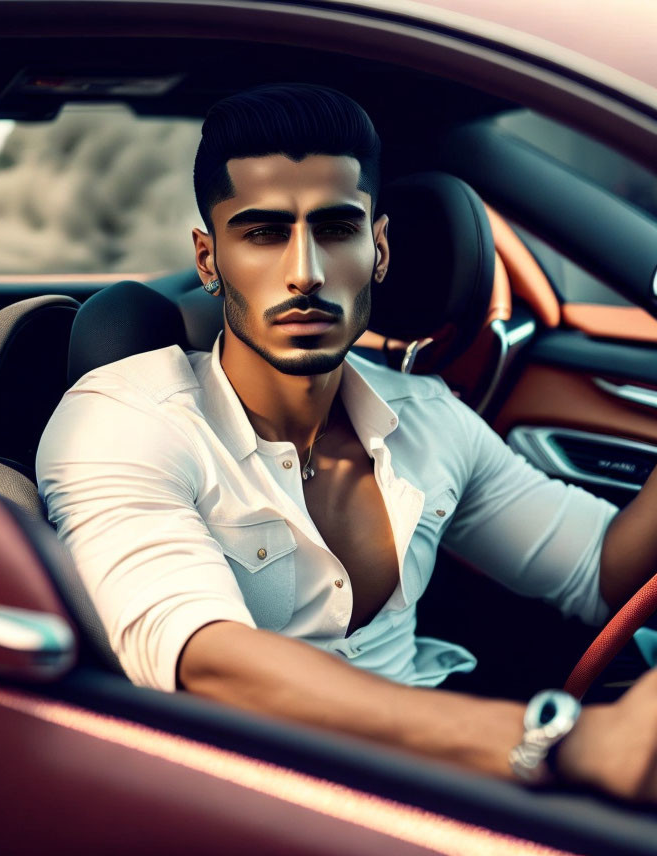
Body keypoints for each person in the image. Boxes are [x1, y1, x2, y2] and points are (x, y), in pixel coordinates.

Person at [37, 83, 657, 802]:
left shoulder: (429, 416)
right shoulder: (123, 420)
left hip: (460, 785)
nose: (305, 271)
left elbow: (601, 571)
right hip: (254, 802)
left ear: (379, 247)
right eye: (264, 232)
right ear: (209, 260)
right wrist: (563, 743)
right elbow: (205, 658)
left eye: (335, 227)